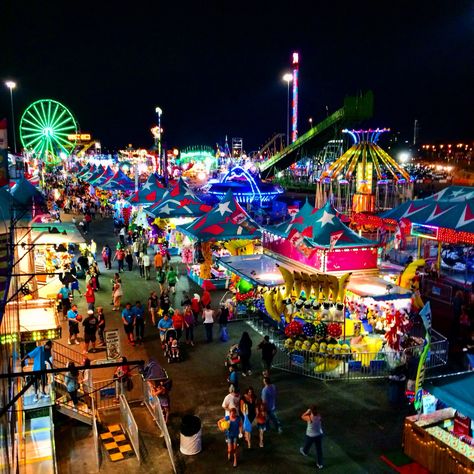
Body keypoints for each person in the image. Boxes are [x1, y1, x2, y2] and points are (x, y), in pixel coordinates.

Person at [299, 405, 323, 469]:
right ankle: (320, 464)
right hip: (319, 435)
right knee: (319, 450)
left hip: (311, 435)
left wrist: (307, 411)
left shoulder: (309, 417)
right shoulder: (319, 416)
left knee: (307, 444)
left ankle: (305, 452)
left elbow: (302, 416)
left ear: (311, 411)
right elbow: (316, 415)